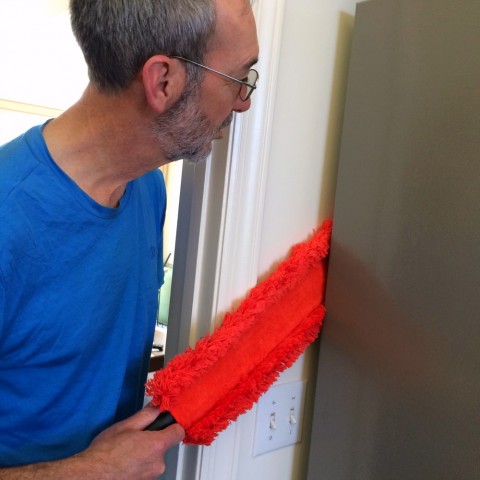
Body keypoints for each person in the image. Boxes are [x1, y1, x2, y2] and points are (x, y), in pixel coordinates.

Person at [0, 0, 259, 477]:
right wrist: (90, 470)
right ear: (163, 81)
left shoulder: (147, 190)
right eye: (239, 78)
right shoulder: (8, 218)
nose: (243, 101)